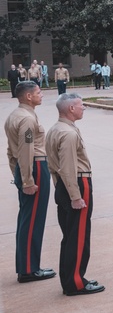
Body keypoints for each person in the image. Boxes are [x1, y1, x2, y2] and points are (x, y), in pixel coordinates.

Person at [46, 93, 103, 295]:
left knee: (70, 235)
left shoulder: (56, 129)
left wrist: (61, 188)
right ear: (71, 108)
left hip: (65, 185)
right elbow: (68, 167)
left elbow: (54, 167)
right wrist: (75, 196)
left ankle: (70, 279)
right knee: (78, 236)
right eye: (81, 105)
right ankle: (75, 283)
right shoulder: (68, 133)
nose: (83, 108)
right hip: (77, 184)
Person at [5, 82, 56, 283]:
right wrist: (27, 180)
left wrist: (17, 173)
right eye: (38, 92)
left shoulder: (15, 116)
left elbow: (12, 151)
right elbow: (26, 149)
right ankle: (28, 269)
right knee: (33, 219)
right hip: (34, 167)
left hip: (25, 167)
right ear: (28, 96)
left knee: (27, 218)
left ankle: (28, 266)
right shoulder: (26, 119)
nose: (41, 95)